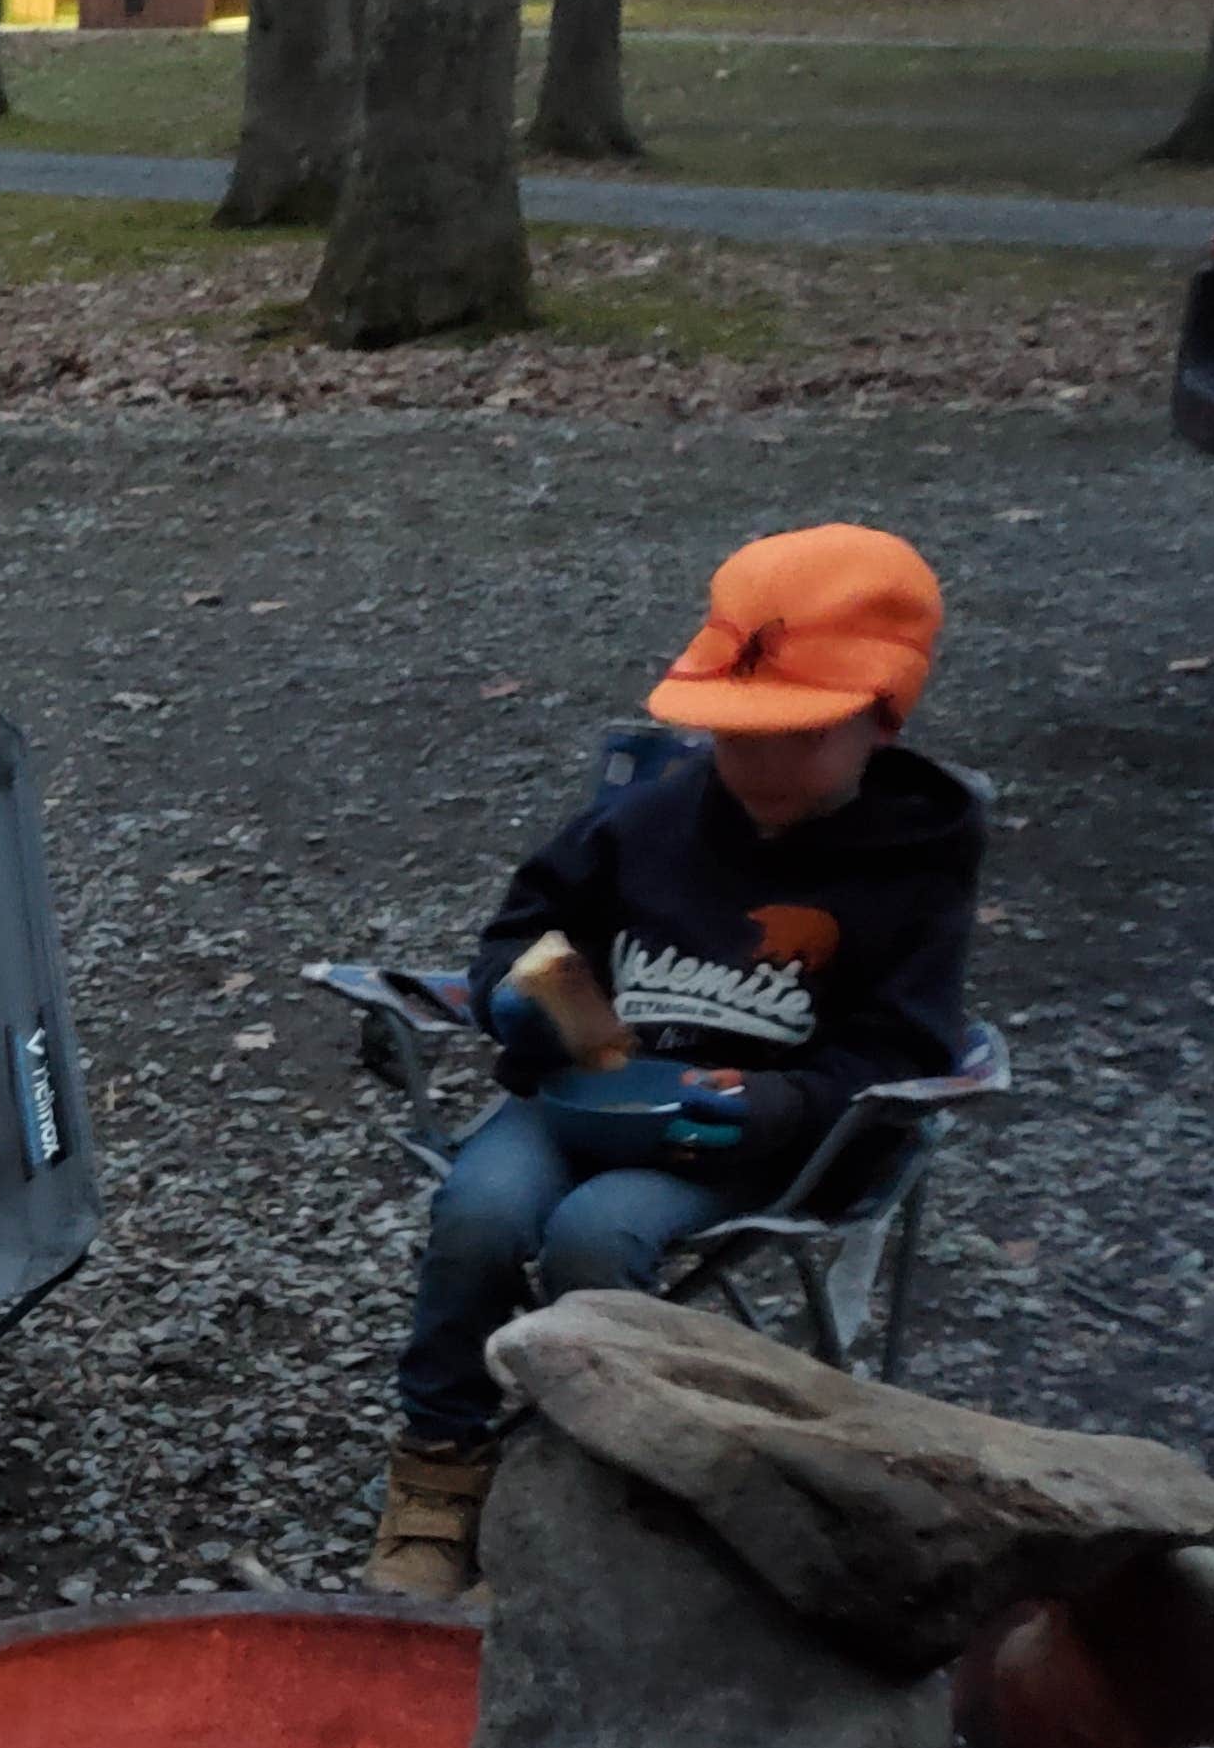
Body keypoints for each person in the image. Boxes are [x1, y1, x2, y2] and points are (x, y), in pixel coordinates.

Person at [365, 523, 980, 1599]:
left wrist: (785, 1105)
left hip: (744, 1134)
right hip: (583, 1089)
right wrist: (545, 1005)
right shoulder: (646, 818)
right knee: (477, 1212)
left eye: (794, 734)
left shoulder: (915, 863)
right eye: (734, 733)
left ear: (880, 718)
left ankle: (604, 1483)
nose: (755, 761)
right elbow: (522, 932)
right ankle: (440, 1465)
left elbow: (903, 1048)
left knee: (596, 1235)